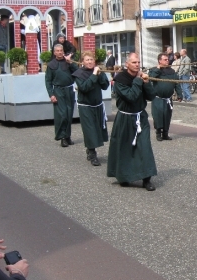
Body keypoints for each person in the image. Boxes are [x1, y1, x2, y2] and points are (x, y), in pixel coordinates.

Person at [107, 53, 158, 191]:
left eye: (138, 62)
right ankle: (124, 176)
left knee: (144, 147)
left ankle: (147, 179)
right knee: (125, 148)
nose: (137, 64)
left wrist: (147, 83)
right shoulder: (120, 80)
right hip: (125, 118)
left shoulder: (141, 78)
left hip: (140, 117)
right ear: (127, 64)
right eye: (134, 62)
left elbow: (151, 96)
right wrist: (138, 80)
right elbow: (131, 96)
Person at [73, 51, 110, 167]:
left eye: (91, 60)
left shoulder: (98, 71)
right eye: (87, 60)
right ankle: (93, 154)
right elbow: (84, 88)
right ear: (83, 62)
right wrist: (94, 75)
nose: (90, 62)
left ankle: (90, 149)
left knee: (98, 128)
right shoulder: (78, 74)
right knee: (90, 130)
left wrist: (101, 75)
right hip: (85, 106)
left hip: (98, 105)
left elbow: (105, 86)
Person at [45, 44, 78, 147]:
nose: (60, 52)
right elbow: (48, 81)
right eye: (57, 51)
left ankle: (67, 136)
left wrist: (70, 62)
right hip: (58, 91)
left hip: (69, 90)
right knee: (62, 114)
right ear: (54, 52)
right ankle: (62, 137)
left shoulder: (68, 62)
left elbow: (77, 72)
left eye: (61, 50)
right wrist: (51, 94)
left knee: (69, 114)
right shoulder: (51, 65)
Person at [149, 53, 182, 141]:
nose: (167, 61)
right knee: (158, 116)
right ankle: (158, 133)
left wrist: (179, 94)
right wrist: (157, 69)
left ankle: (165, 133)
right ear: (160, 61)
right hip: (158, 98)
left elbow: (177, 83)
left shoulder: (172, 71)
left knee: (167, 116)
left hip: (168, 98)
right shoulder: (154, 70)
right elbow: (151, 78)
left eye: (168, 59)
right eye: (165, 60)